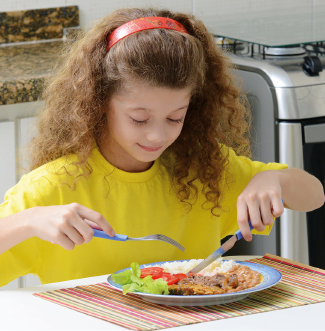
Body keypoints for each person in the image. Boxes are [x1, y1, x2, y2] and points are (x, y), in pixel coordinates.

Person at [0, 8, 324, 287]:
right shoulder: (52, 189)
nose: (157, 136)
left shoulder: (202, 171)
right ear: (99, 103)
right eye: (139, 119)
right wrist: (27, 222)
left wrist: (275, 180)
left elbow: (314, 195)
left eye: (174, 118)